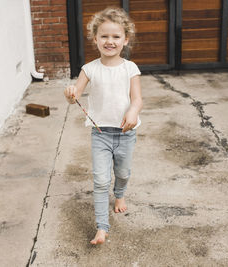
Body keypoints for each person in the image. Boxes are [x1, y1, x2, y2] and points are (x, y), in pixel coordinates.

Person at [63, 7, 142, 245]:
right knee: (99, 180)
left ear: (125, 40)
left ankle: (119, 195)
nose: (110, 41)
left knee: (123, 173)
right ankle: (102, 227)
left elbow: (137, 98)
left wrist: (133, 110)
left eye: (116, 37)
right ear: (95, 39)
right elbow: (75, 94)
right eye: (104, 36)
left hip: (126, 133)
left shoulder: (130, 68)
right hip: (100, 134)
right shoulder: (89, 69)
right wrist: (70, 93)